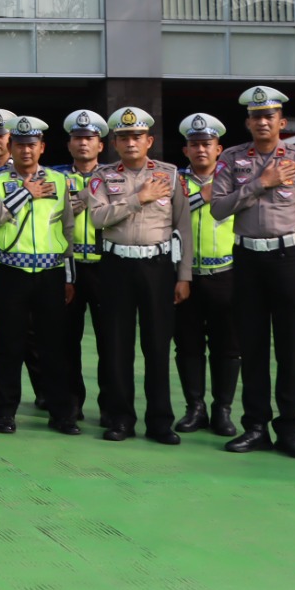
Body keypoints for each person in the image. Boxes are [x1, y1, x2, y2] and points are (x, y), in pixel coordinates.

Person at [211, 86, 295, 460]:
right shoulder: (230, 160)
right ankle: (256, 427)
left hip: (288, 260)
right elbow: (218, 208)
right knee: (253, 347)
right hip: (247, 261)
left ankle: (290, 430)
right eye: (256, 116)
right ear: (247, 122)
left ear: (281, 121)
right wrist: (261, 183)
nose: (263, 122)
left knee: (291, 351)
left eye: (269, 116)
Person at [83, 107, 192, 444]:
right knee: (117, 345)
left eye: (137, 136)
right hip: (116, 266)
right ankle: (120, 418)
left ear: (149, 140)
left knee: (157, 345)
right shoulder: (102, 176)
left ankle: (160, 421)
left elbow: (183, 229)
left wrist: (184, 275)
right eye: (124, 137)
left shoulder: (170, 175)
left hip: (157, 268)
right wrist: (138, 198)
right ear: (114, 142)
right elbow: (97, 218)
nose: (131, 142)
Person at [0, 116, 79, 435]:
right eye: (19, 145)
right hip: (12, 273)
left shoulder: (60, 180)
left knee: (53, 346)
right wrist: (24, 193)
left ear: (42, 147)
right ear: (11, 146)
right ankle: (5, 411)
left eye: (31, 145)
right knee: (9, 344)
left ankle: (62, 412)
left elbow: (69, 229)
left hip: (50, 273)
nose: (25, 151)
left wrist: (69, 276)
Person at [174, 113, 239, 437]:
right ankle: (194, 408)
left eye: (207, 144)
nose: (201, 150)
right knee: (187, 344)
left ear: (219, 149)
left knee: (227, 345)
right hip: (186, 275)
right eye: (195, 145)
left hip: (225, 273)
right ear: (185, 150)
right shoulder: (174, 182)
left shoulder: (233, 182)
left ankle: (222, 410)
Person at [51, 109, 109, 425]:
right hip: (68, 267)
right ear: (70, 144)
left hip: (105, 268)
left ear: (100, 145)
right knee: (66, 342)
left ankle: (110, 407)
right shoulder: (56, 177)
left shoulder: (115, 176)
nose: (84, 144)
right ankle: (70, 406)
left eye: (90, 139)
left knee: (110, 340)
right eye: (78, 139)